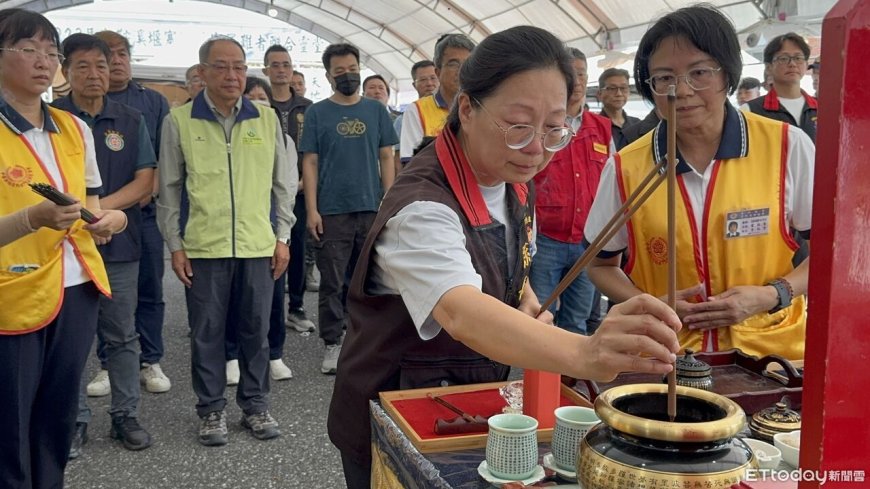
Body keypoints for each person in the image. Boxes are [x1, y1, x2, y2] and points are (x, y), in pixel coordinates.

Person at [327, 25, 683, 488]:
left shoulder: (511, 177)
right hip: (395, 413)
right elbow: (460, 311)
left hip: (468, 401)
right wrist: (586, 352)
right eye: (518, 126)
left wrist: (524, 296)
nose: (536, 148)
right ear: (467, 108)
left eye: (554, 129)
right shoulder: (421, 207)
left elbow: (509, 257)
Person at [584, 5, 814, 362]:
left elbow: (831, 253)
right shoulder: (626, 166)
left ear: (728, 75)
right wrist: (647, 304)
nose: (681, 90)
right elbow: (599, 265)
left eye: (700, 72)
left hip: (772, 359)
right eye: (664, 78)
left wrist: (773, 295)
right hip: (664, 358)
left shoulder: (786, 146)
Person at [0, 9, 126, 487]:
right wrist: (31, 218)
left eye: (50, 52)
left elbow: (90, 202)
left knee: (57, 413)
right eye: (27, 49)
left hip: (75, 286)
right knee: (9, 419)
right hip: (11, 292)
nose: (43, 61)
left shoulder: (74, 128)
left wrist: (109, 219)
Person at [157, 37, 296, 446]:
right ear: (202, 72)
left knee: (256, 330)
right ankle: (211, 409)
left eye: (239, 66)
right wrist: (175, 245)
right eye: (221, 66)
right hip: (204, 246)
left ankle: (255, 405)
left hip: (258, 244)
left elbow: (283, 184)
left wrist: (282, 236)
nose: (232, 75)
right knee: (207, 333)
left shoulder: (265, 119)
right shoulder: (180, 121)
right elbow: (169, 189)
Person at [52, 32, 156, 458]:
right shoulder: (52, 119)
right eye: (83, 66)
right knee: (71, 337)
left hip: (119, 242)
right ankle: (73, 419)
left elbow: (145, 181)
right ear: (66, 71)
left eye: (101, 65)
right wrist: (86, 218)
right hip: (62, 246)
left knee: (122, 334)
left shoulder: (130, 119)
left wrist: (96, 213)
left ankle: (125, 415)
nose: (94, 74)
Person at [299, 43, 397, 375]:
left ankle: (365, 339)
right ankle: (333, 340)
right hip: (332, 210)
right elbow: (310, 162)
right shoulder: (317, 113)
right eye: (339, 71)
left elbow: (386, 156)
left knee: (369, 279)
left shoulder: (376, 111)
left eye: (352, 69)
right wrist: (312, 209)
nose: (347, 76)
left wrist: (389, 202)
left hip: (371, 208)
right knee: (332, 280)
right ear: (328, 76)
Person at [90, 30, 172, 395]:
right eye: (108, 55)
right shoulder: (78, 107)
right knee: (100, 292)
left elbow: (164, 157)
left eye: (121, 53)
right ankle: (107, 363)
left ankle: (150, 359)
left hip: (144, 213)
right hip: (89, 220)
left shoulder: (152, 101)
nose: (116, 61)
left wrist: (148, 191)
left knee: (149, 289)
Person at [530, 48, 612, 336]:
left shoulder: (602, 128)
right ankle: (538, 367)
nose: (577, 82)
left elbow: (611, 184)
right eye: (571, 74)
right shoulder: (544, 126)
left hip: (587, 242)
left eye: (582, 74)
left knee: (577, 321)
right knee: (539, 318)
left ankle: (572, 368)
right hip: (546, 241)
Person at [223, 76, 296, 385]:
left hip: (269, 225)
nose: (257, 103)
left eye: (262, 98)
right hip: (233, 228)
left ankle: (274, 353)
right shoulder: (229, 135)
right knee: (233, 296)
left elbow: (286, 186)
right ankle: (231, 355)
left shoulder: (281, 137)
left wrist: (283, 233)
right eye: (251, 97)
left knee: (273, 296)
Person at [260, 44, 316, 336]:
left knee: (296, 249)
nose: (281, 70)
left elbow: (314, 153)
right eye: (275, 65)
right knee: (265, 250)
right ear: (265, 70)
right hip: (262, 195)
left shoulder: (307, 108)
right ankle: (267, 310)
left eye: (286, 64)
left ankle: (296, 307)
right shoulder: (258, 102)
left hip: (300, 192)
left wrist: (301, 183)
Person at [399, 34, 474, 164]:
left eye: (467, 64)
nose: (461, 70)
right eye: (453, 64)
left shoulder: (482, 106)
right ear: (438, 72)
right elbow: (411, 163)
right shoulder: (417, 110)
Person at [745, 33, 817, 141]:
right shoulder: (750, 111)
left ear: (806, 65)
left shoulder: (821, 108)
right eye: (783, 58)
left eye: (798, 58)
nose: (792, 64)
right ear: (768, 67)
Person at [393, 60, 438, 173]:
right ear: (414, 85)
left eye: (433, 78)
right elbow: (398, 159)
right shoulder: (403, 119)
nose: (429, 83)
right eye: (423, 80)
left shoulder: (454, 110)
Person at [597, 67, 640, 150]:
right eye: (612, 88)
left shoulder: (637, 125)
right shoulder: (593, 127)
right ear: (599, 94)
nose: (619, 94)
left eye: (623, 88)